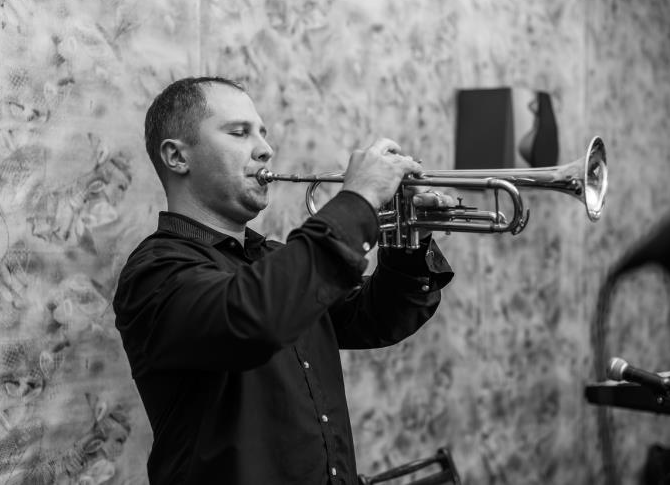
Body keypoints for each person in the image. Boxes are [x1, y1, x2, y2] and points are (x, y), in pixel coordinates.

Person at [113, 76, 454, 484]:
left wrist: (410, 243)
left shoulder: (275, 260)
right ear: (177, 157)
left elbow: (377, 318)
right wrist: (358, 201)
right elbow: (255, 318)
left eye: (262, 132)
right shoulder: (155, 273)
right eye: (239, 132)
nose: (265, 149)